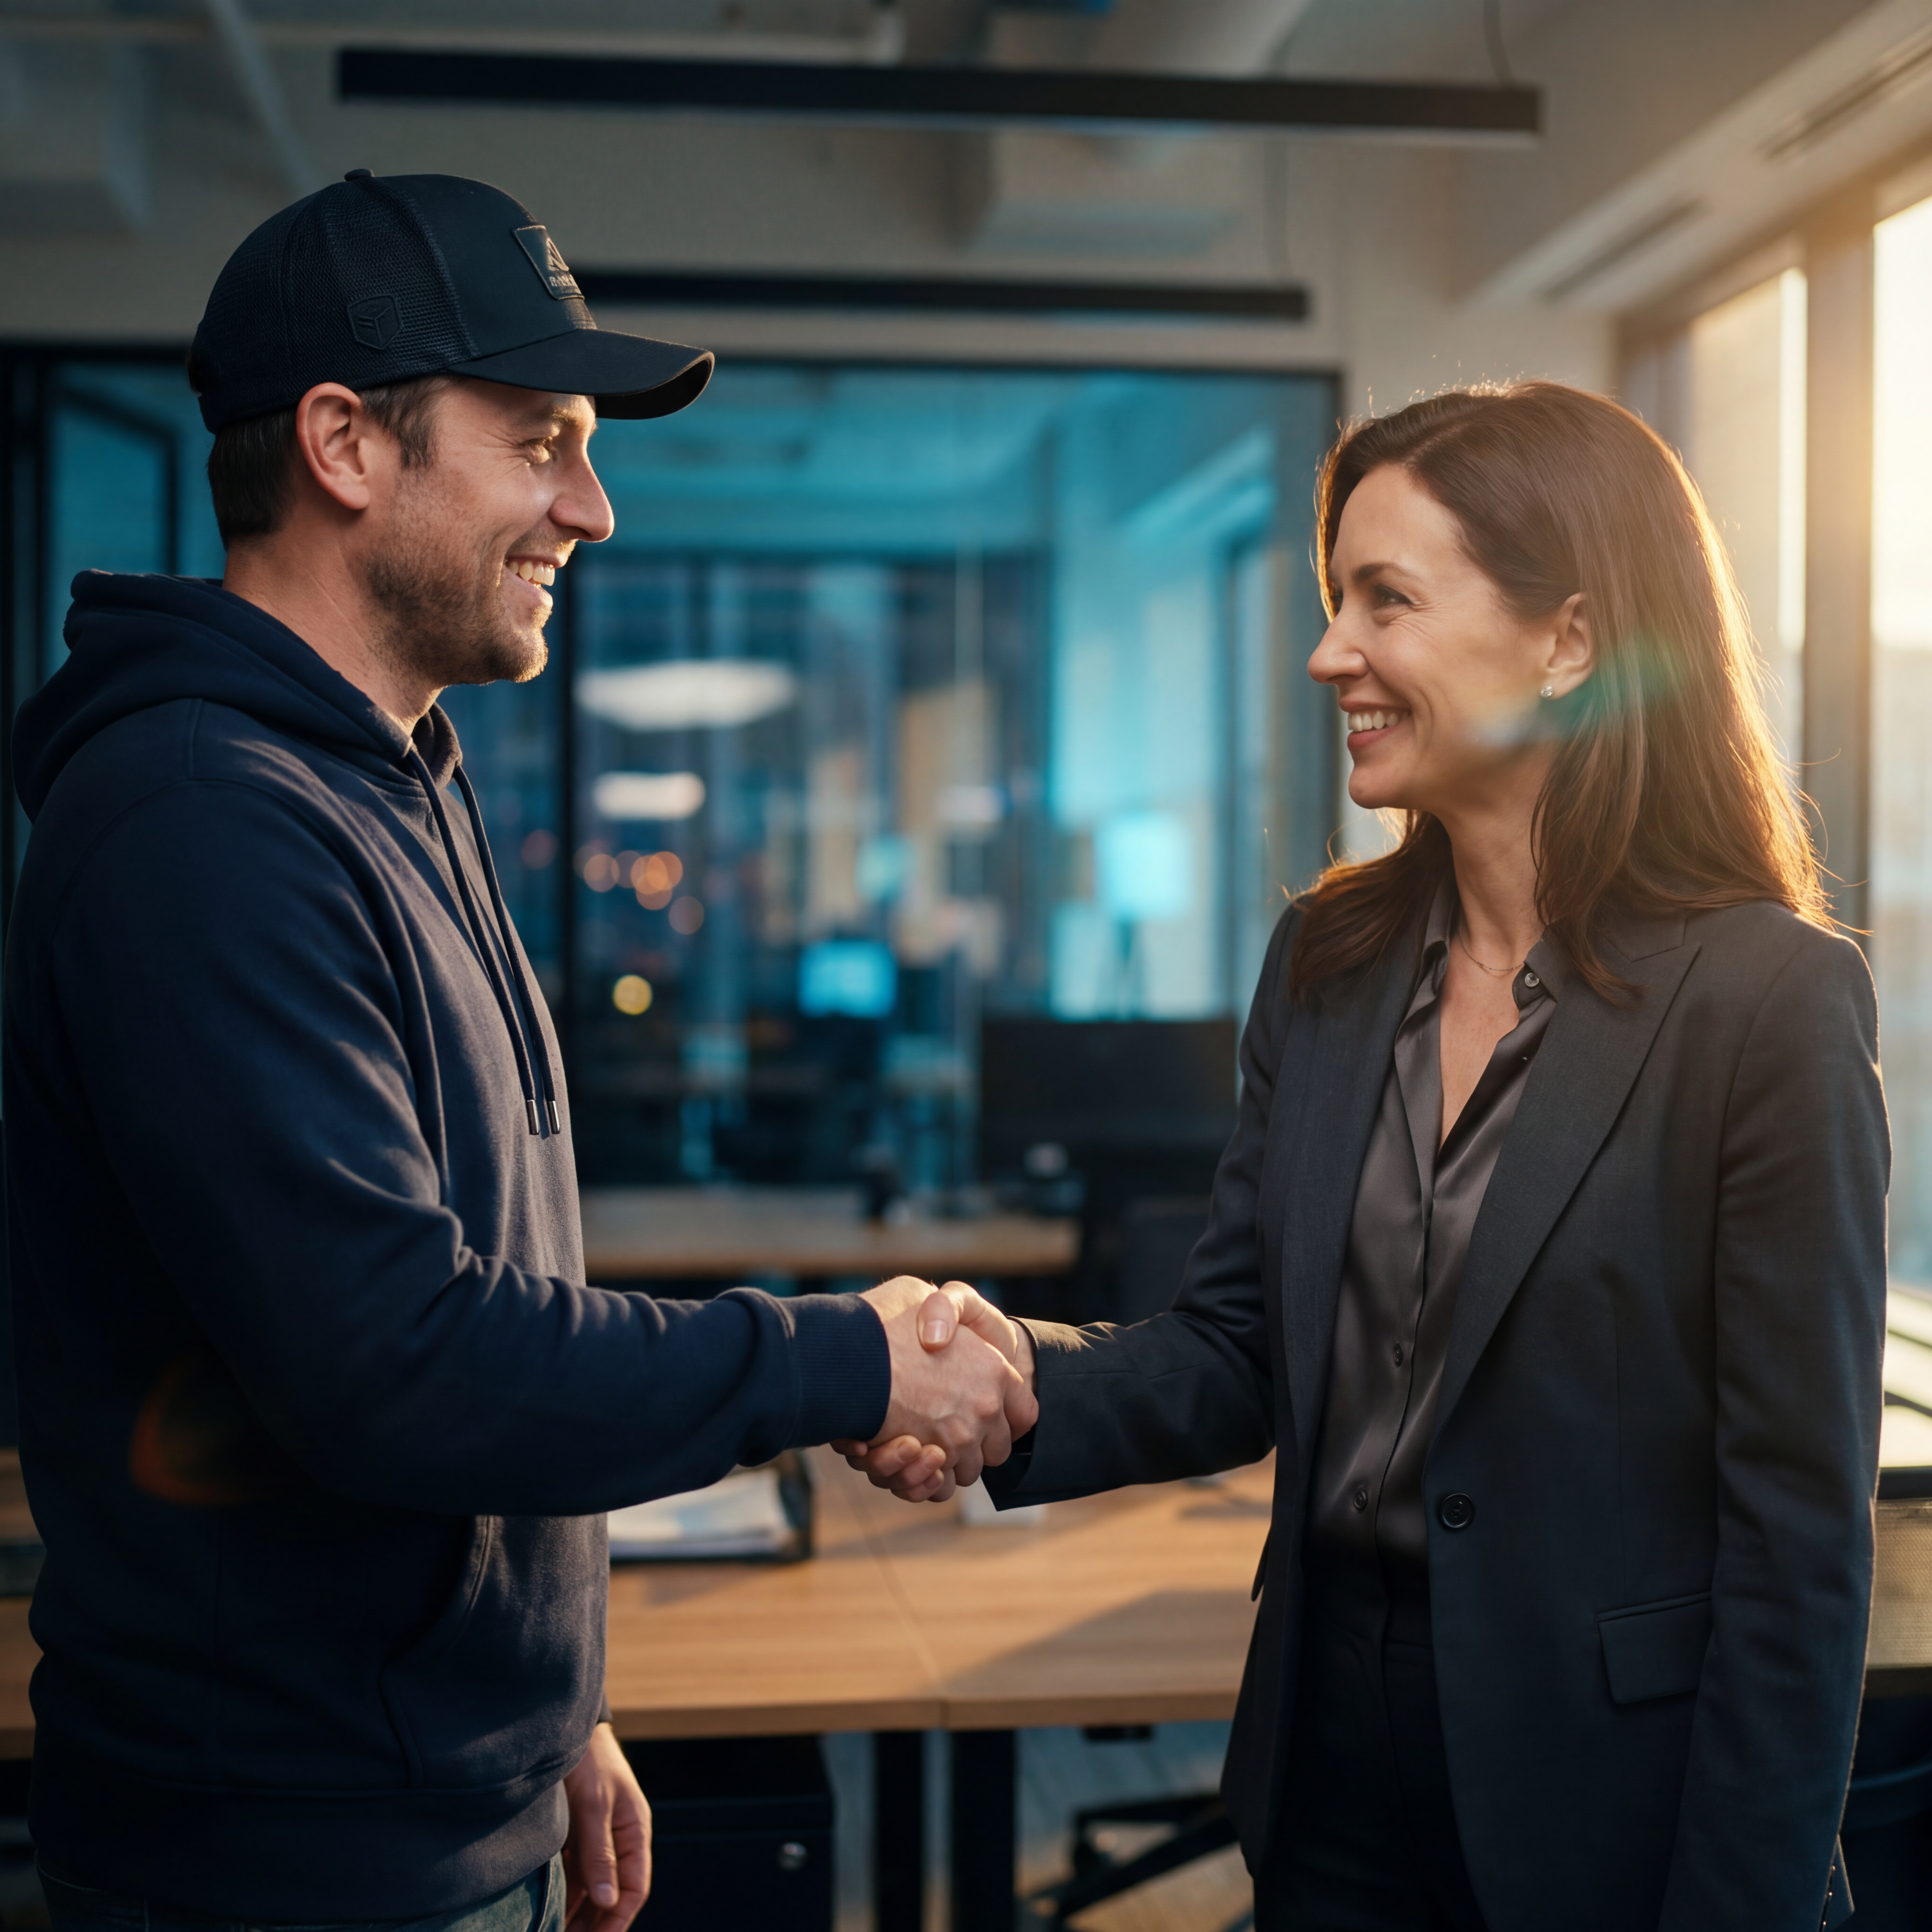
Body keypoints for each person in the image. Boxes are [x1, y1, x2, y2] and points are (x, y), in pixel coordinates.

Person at [3, 171, 1031, 1930]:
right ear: (344, 443)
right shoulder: (205, 824)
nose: (595, 506)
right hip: (297, 1863)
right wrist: (842, 1361)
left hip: (427, 1784)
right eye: (543, 438)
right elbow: (398, 1359)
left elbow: (457, 1291)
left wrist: (546, 1703)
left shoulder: (387, 775)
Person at [847, 382, 1888, 1932]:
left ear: (1571, 641)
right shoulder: (1332, 961)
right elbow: (1236, 1349)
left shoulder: (1763, 1002)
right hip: (1328, 1767)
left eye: (1384, 600)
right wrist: (1001, 1383)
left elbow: (1798, 1549)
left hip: (1613, 1802)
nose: (1333, 652)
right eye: (1338, 602)